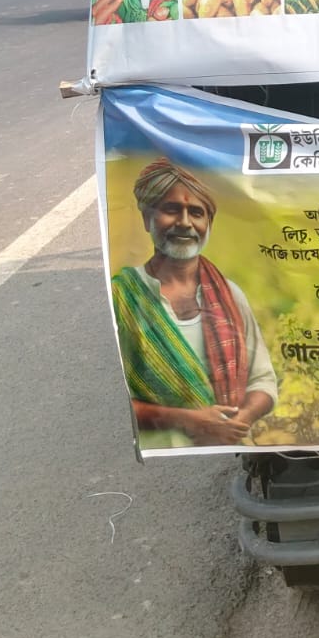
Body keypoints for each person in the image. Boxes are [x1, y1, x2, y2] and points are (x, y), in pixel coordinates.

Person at [111, 157, 278, 451]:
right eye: (171, 209)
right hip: (161, 454)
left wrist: (239, 421)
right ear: (147, 219)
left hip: (227, 443)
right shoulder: (123, 297)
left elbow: (263, 380)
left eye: (196, 213)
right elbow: (116, 396)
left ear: (208, 224)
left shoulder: (230, 295)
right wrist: (189, 420)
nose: (185, 222)